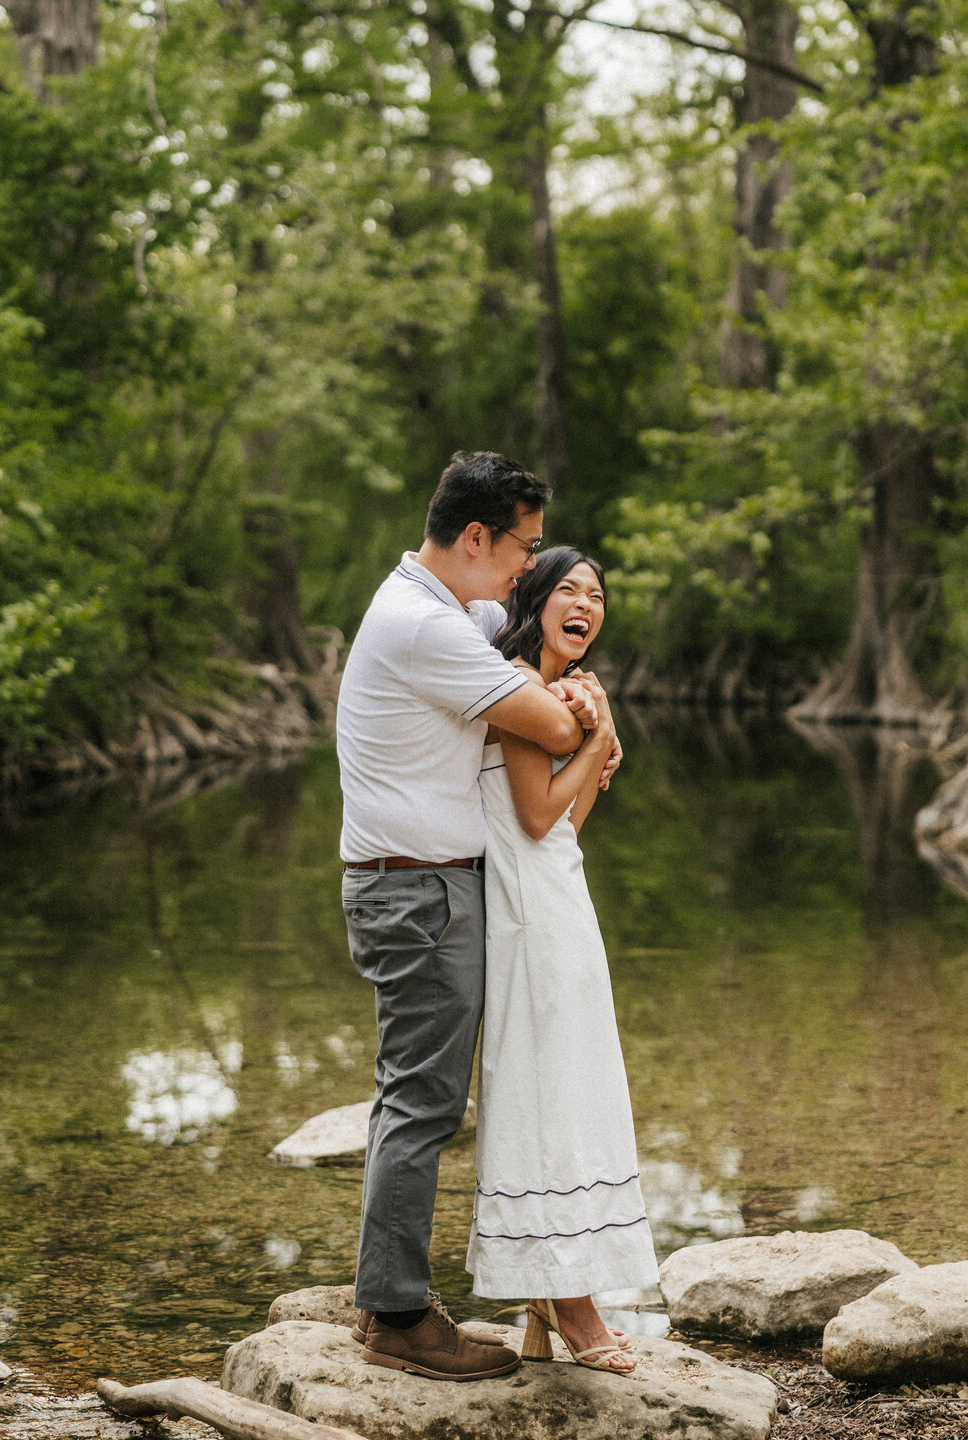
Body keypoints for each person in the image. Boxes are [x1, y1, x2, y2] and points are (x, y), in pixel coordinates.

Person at [336, 452, 614, 1383]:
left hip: (423, 885)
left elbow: (527, 623)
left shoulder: (449, 605)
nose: (524, 575)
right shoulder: (427, 627)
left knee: (410, 1096)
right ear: (474, 538)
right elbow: (556, 727)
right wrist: (585, 709)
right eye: (521, 552)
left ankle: (390, 1291)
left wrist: (561, 666)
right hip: (417, 891)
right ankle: (399, 1316)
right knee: (422, 1103)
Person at [467, 546, 656, 1375]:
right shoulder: (515, 688)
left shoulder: (555, 693)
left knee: (578, 1085)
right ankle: (566, 1303)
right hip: (524, 919)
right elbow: (538, 817)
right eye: (569, 591)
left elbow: (568, 825)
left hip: (562, 904)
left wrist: (590, 744)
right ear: (536, 601)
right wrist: (601, 734)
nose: (587, 605)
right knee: (544, 1086)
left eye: (599, 595)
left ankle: (567, 1284)